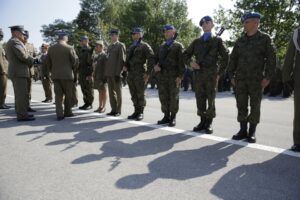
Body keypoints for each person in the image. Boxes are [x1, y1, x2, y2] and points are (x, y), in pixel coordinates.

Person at [228, 12, 276, 143]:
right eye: (244, 22)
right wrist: (231, 76)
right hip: (240, 80)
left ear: (255, 23)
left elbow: (272, 59)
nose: (244, 24)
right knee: (241, 105)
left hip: (257, 80)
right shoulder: (240, 41)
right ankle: (242, 130)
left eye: (246, 22)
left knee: (255, 106)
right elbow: (233, 60)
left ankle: (252, 132)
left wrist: (268, 77)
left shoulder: (265, 39)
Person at [184, 16, 229, 134]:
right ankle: (202, 121)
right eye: (203, 23)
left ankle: (209, 123)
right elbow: (185, 55)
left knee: (210, 98)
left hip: (211, 76)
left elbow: (226, 57)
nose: (205, 24)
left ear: (212, 25)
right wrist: (191, 63)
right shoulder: (196, 42)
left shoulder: (217, 40)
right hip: (198, 75)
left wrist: (219, 73)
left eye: (207, 22)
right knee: (200, 98)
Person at [154, 24, 185, 127]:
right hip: (162, 76)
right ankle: (166, 116)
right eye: (165, 31)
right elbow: (155, 59)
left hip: (173, 76)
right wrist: (155, 66)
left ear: (174, 32)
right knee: (163, 96)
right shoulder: (161, 46)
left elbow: (182, 62)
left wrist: (180, 76)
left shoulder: (178, 46)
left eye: (169, 31)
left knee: (173, 97)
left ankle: (173, 117)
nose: (166, 33)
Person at [124, 27, 155, 121]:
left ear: (141, 34)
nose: (134, 35)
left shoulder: (145, 45)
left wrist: (148, 72)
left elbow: (151, 58)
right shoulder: (131, 46)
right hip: (131, 73)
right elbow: (128, 59)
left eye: (136, 33)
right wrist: (126, 66)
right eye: (133, 34)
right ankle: (136, 111)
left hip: (140, 72)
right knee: (133, 93)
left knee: (140, 93)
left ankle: (141, 112)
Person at [46, 32, 78, 120]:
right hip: (67, 75)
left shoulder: (51, 48)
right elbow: (75, 61)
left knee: (58, 95)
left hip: (55, 75)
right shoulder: (69, 48)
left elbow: (48, 62)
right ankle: (68, 112)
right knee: (68, 95)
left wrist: (52, 70)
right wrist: (72, 69)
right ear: (65, 38)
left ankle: (59, 114)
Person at [6, 25, 35, 121]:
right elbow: (23, 56)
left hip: (18, 72)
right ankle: (22, 115)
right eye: (21, 33)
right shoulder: (15, 41)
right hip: (19, 72)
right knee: (21, 95)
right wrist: (33, 60)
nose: (23, 35)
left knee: (21, 94)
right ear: (16, 33)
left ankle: (22, 113)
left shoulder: (13, 42)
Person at [282, 27, 300, 152]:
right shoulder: (297, 33)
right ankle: (298, 141)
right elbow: (289, 55)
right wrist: (286, 77)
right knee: (299, 111)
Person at [105, 29, 126, 116]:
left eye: (114, 35)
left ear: (117, 36)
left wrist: (119, 73)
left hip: (116, 73)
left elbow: (122, 60)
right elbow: (108, 59)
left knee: (118, 93)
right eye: (111, 35)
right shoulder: (109, 47)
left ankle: (118, 110)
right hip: (109, 73)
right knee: (111, 93)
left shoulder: (120, 45)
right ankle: (113, 109)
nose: (112, 36)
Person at [78, 35, 94, 110]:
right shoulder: (81, 50)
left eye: (81, 40)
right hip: (81, 72)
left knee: (89, 88)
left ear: (86, 40)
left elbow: (91, 63)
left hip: (87, 72)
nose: (80, 42)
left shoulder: (90, 50)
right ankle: (86, 102)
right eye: (80, 41)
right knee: (83, 88)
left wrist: (90, 74)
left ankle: (90, 103)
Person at [23, 30, 37, 112]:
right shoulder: (18, 45)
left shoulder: (31, 46)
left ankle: (28, 106)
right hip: (21, 71)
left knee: (28, 90)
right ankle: (20, 106)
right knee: (21, 90)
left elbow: (35, 57)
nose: (24, 37)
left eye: (26, 36)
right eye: (23, 35)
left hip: (29, 71)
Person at [93, 40, 107, 113]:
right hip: (97, 77)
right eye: (96, 46)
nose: (96, 48)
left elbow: (106, 68)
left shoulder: (104, 55)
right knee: (100, 92)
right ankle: (100, 106)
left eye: (97, 46)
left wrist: (104, 79)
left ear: (101, 47)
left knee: (104, 92)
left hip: (102, 78)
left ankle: (104, 107)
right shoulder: (97, 56)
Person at [0, 28, 10, 109]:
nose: (2, 37)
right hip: (2, 71)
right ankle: (1, 104)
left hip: (3, 70)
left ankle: (2, 103)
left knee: (3, 88)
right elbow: (0, 59)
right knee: (3, 88)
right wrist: (3, 69)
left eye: (2, 35)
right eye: (1, 35)